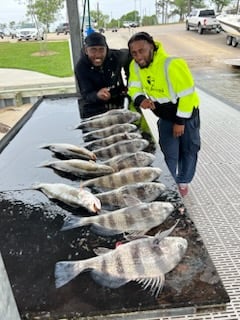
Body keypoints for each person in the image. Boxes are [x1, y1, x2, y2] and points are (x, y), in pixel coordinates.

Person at [127, 32, 200, 197]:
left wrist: (180, 121)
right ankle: (169, 185)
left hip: (186, 115)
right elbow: (133, 86)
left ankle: (183, 182)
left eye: (142, 50)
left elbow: (187, 94)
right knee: (169, 153)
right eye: (134, 53)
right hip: (165, 117)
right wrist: (140, 99)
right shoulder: (135, 65)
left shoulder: (172, 64)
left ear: (152, 47)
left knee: (189, 150)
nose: (139, 56)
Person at [75, 32, 130, 118]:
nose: (98, 55)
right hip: (93, 106)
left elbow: (130, 55)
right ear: (86, 50)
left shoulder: (116, 56)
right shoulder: (81, 67)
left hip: (117, 101)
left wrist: (129, 82)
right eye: (93, 50)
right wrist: (97, 95)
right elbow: (86, 94)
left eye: (101, 49)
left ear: (106, 49)